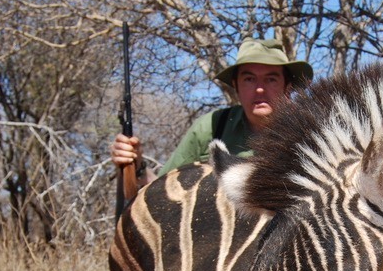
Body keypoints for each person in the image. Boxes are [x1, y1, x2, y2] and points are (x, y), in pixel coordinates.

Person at [111, 38, 313, 184]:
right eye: (249, 79)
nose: (260, 88)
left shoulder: (310, 133)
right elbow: (162, 189)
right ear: (236, 86)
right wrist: (136, 167)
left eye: (271, 79)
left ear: (287, 87)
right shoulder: (211, 127)